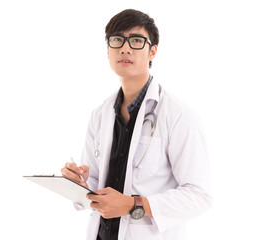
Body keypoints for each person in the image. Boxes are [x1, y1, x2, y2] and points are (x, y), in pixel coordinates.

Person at [61, 9, 212, 240]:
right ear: (108, 49)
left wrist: (134, 204)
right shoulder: (100, 115)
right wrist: (79, 184)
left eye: (136, 40)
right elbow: (95, 183)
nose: (125, 47)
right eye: (117, 40)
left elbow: (199, 196)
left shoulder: (178, 115)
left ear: (153, 51)